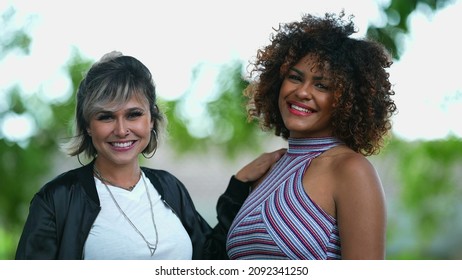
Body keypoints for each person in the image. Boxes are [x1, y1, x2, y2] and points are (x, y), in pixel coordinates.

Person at [15, 51, 285, 260]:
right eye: (106, 116)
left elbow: (211, 260)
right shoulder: (57, 199)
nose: (121, 130)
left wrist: (238, 186)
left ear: (152, 120)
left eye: (134, 114)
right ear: (88, 124)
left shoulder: (168, 187)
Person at [226, 12, 397, 260]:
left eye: (322, 85)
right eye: (295, 77)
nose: (302, 92)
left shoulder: (351, 170)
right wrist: (237, 185)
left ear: (347, 100)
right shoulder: (265, 172)